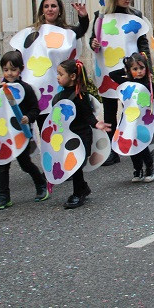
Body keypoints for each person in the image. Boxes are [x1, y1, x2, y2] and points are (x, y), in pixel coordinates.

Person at [0, 51, 48, 210]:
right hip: (4, 135)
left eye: (13, 70)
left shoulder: (26, 89)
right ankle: (4, 196)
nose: (9, 73)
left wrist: (28, 117)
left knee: (25, 163)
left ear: (21, 69)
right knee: (2, 164)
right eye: (5, 70)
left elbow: (36, 109)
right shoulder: (1, 89)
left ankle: (41, 184)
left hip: (21, 133)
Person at [90, 0, 149, 166]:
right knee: (109, 110)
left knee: (130, 108)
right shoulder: (99, 17)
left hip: (129, 70)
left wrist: (144, 59)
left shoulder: (136, 15)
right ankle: (111, 150)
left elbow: (143, 41)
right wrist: (93, 43)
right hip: (107, 70)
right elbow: (93, 41)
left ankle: (132, 140)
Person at [11, 0, 89, 127]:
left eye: (53, 6)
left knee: (56, 125)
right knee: (39, 124)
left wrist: (83, 17)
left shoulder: (67, 32)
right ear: (42, 10)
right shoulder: (31, 33)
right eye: (46, 6)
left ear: (59, 10)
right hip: (34, 86)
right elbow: (19, 53)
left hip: (57, 86)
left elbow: (81, 30)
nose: (50, 9)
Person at [51, 59, 111, 209]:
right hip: (66, 136)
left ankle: (78, 193)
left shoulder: (81, 96)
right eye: (57, 74)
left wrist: (97, 123)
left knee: (75, 165)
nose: (57, 77)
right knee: (70, 164)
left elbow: (88, 116)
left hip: (81, 136)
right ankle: (83, 187)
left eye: (60, 74)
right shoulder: (59, 96)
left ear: (72, 76)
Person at [108, 52, 154, 180]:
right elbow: (112, 75)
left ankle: (149, 167)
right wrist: (127, 68)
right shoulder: (126, 82)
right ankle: (137, 168)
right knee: (131, 143)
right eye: (135, 69)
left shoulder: (148, 84)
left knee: (141, 145)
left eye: (142, 68)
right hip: (129, 119)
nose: (139, 71)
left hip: (143, 121)